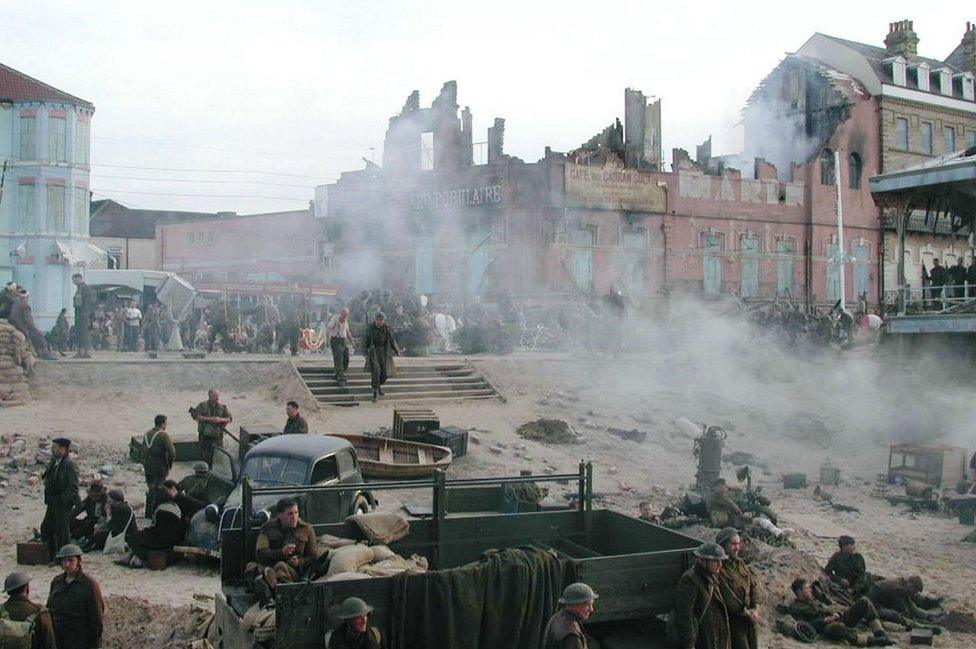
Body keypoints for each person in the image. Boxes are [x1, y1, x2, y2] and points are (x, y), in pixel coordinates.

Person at [248, 498, 319, 604]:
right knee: (251, 568)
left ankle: (277, 594)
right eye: (290, 514)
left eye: (296, 512)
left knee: (281, 567)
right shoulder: (268, 528)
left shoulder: (306, 529)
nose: (294, 517)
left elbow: (313, 556)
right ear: (280, 515)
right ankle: (266, 584)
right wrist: (281, 553)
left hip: (293, 572)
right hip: (269, 565)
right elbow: (260, 553)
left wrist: (299, 562)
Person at [787, 578, 892, 646]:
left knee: (864, 602)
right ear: (799, 591)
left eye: (809, 588)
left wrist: (837, 612)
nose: (810, 590)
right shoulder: (796, 607)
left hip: (839, 616)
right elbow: (805, 625)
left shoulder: (814, 599)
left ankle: (880, 633)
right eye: (807, 588)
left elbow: (827, 603)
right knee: (838, 627)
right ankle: (870, 641)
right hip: (825, 627)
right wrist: (824, 620)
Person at [669, 542, 731, 649]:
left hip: (715, 637)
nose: (720, 565)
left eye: (721, 561)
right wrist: (689, 644)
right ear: (702, 560)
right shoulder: (690, 580)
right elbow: (684, 615)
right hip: (702, 639)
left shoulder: (713, 577)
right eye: (715, 561)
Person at [47, 544, 104, 649]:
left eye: (71, 560)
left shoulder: (89, 584)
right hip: (59, 635)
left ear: (78, 561)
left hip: (79, 637)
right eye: (64, 561)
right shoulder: (57, 582)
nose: (67, 564)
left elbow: (96, 616)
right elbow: (49, 608)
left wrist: (95, 644)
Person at [715, 528, 762, 649]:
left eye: (738, 544)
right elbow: (727, 595)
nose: (737, 548)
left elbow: (753, 585)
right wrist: (746, 612)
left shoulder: (740, 564)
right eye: (733, 544)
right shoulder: (719, 568)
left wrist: (755, 608)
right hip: (734, 620)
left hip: (750, 617)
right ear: (723, 546)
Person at [41, 438, 80, 563]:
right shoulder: (54, 461)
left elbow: (73, 487)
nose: (53, 449)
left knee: (62, 532)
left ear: (63, 449)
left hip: (63, 503)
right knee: (47, 528)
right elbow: (48, 475)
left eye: (56, 447)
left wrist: (63, 500)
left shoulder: (70, 465)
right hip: (52, 501)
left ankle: (65, 559)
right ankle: (51, 555)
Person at [117, 499, 185, 568]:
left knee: (136, 538)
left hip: (160, 540)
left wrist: (146, 530)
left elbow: (155, 527)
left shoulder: (160, 509)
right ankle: (134, 558)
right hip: (170, 539)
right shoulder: (175, 509)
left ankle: (136, 558)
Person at [2, 571, 57, 649]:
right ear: (27, 589)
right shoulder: (40, 612)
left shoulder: (1, 610)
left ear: (8, 592)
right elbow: (49, 643)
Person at [868, 576, 943, 625]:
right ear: (910, 586)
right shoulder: (897, 588)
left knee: (912, 610)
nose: (914, 594)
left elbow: (910, 605)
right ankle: (928, 622)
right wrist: (923, 622)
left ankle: (930, 617)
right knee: (895, 615)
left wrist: (927, 615)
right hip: (873, 606)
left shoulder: (904, 585)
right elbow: (903, 610)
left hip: (883, 601)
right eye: (915, 591)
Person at [542, 582, 597, 649]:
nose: (591, 609)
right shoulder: (571, 634)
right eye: (588, 605)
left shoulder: (558, 617)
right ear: (574, 604)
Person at [142, 414, 176, 515]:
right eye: (166, 423)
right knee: (159, 491)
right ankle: (155, 513)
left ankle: (148, 513)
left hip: (148, 467)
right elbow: (172, 453)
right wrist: (169, 465)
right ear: (163, 424)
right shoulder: (163, 435)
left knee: (151, 489)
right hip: (160, 468)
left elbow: (142, 452)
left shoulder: (146, 434)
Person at [189, 388, 232, 466]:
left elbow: (229, 419)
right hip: (205, 437)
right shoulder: (202, 405)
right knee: (205, 458)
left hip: (217, 437)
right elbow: (196, 416)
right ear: (210, 396)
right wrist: (210, 419)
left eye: (218, 396)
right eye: (215, 396)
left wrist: (220, 420)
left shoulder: (222, 407)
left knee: (218, 457)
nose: (217, 398)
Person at [9, 289, 56, 360]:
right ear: (26, 297)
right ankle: (44, 353)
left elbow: (12, 317)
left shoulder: (15, 303)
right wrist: (34, 329)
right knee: (39, 336)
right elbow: (28, 321)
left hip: (16, 326)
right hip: (23, 327)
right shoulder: (25, 305)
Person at [363, 312, 399, 402]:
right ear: (375, 320)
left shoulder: (386, 328)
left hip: (384, 352)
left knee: (384, 373)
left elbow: (391, 339)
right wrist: (365, 351)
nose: (380, 322)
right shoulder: (370, 329)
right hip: (374, 352)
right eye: (378, 320)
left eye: (382, 320)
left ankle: (378, 387)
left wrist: (396, 349)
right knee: (376, 372)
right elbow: (365, 340)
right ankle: (375, 393)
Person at [68, 481, 107, 546]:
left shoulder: (106, 500)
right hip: (88, 520)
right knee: (74, 521)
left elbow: (105, 518)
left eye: (96, 496)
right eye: (92, 496)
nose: (94, 498)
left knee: (90, 523)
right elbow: (78, 509)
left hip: (99, 524)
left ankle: (76, 537)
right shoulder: (89, 499)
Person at [327, 308, 354, 385]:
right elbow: (329, 326)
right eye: (344, 314)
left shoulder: (346, 320)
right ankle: (340, 377)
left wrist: (352, 341)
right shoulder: (335, 318)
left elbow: (347, 331)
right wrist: (335, 325)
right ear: (341, 313)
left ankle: (338, 372)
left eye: (347, 315)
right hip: (335, 340)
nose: (345, 316)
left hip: (343, 341)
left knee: (346, 358)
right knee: (338, 358)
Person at [71, 273, 94, 358]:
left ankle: (86, 352)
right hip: (78, 313)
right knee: (78, 333)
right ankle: (79, 351)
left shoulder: (85, 288)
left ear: (79, 278)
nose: (73, 282)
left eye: (74, 280)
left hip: (83, 314)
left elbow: (87, 301)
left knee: (84, 333)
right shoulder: (78, 289)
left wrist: (85, 313)